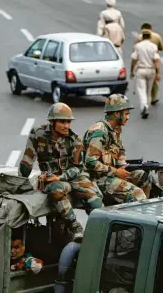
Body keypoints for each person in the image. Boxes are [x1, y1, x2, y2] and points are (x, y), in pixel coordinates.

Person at [18, 103, 103, 242]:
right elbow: (27, 161)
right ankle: (74, 225)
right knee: (55, 190)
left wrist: (60, 176)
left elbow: (77, 167)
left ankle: (99, 234)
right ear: (52, 122)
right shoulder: (37, 133)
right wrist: (20, 182)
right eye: (62, 121)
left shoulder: (74, 140)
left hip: (73, 177)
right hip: (52, 180)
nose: (66, 126)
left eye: (68, 121)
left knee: (95, 200)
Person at [83, 94, 163, 204]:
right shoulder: (99, 132)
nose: (128, 117)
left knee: (145, 178)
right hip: (98, 180)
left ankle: (145, 212)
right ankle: (133, 218)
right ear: (117, 113)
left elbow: (120, 151)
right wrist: (116, 172)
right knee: (138, 195)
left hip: (110, 174)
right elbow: (90, 162)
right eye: (126, 114)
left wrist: (124, 166)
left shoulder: (115, 130)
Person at [131, 29, 160, 119]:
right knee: (148, 90)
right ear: (150, 37)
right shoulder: (154, 46)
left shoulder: (138, 46)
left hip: (141, 70)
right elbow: (156, 60)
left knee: (141, 89)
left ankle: (144, 106)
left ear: (142, 37)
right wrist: (158, 72)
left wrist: (132, 71)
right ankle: (147, 106)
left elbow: (134, 59)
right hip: (151, 70)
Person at [135, 22, 163, 105]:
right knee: (153, 81)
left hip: (142, 63)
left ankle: (144, 102)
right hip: (153, 62)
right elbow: (161, 48)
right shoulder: (157, 36)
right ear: (151, 29)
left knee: (142, 83)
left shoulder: (139, 37)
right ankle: (153, 98)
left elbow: (135, 51)